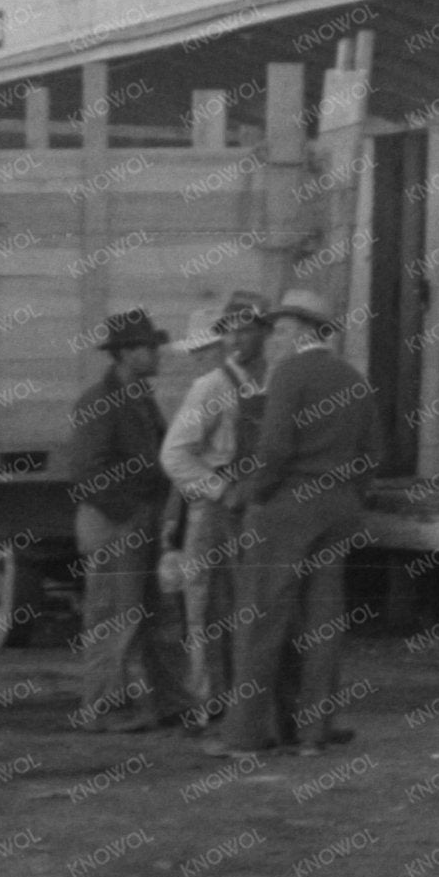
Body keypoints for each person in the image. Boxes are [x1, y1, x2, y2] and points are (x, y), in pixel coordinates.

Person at [214, 292, 379, 759]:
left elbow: (274, 452)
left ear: (306, 333)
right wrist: (348, 492)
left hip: (287, 508)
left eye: (281, 330)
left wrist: (250, 494)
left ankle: (244, 736)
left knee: (261, 619)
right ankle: (313, 735)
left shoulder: (288, 375)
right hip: (339, 508)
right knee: (323, 625)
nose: (273, 339)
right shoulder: (354, 378)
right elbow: (372, 453)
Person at [156, 292, 272, 733]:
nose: (236, 339)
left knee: (256, 606)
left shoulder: (274, 381)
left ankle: (252, 701)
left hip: (259, 511)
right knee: (206, 608)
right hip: (214, 514)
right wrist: (221, 490)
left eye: (246, 329)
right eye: (229, 331)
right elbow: (175, 456)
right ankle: (209, 704)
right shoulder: (211, 387)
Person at [68, 308, 188, 733]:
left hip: (138, 521)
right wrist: (130, 515)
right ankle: (103, 709)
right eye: (146, 347)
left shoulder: (136, 397)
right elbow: (86, 472)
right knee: (113, 618)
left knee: (156, 616)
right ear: (123, 354)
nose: (156, 353)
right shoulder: (100, 402)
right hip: (115, 523)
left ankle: (170, 703)